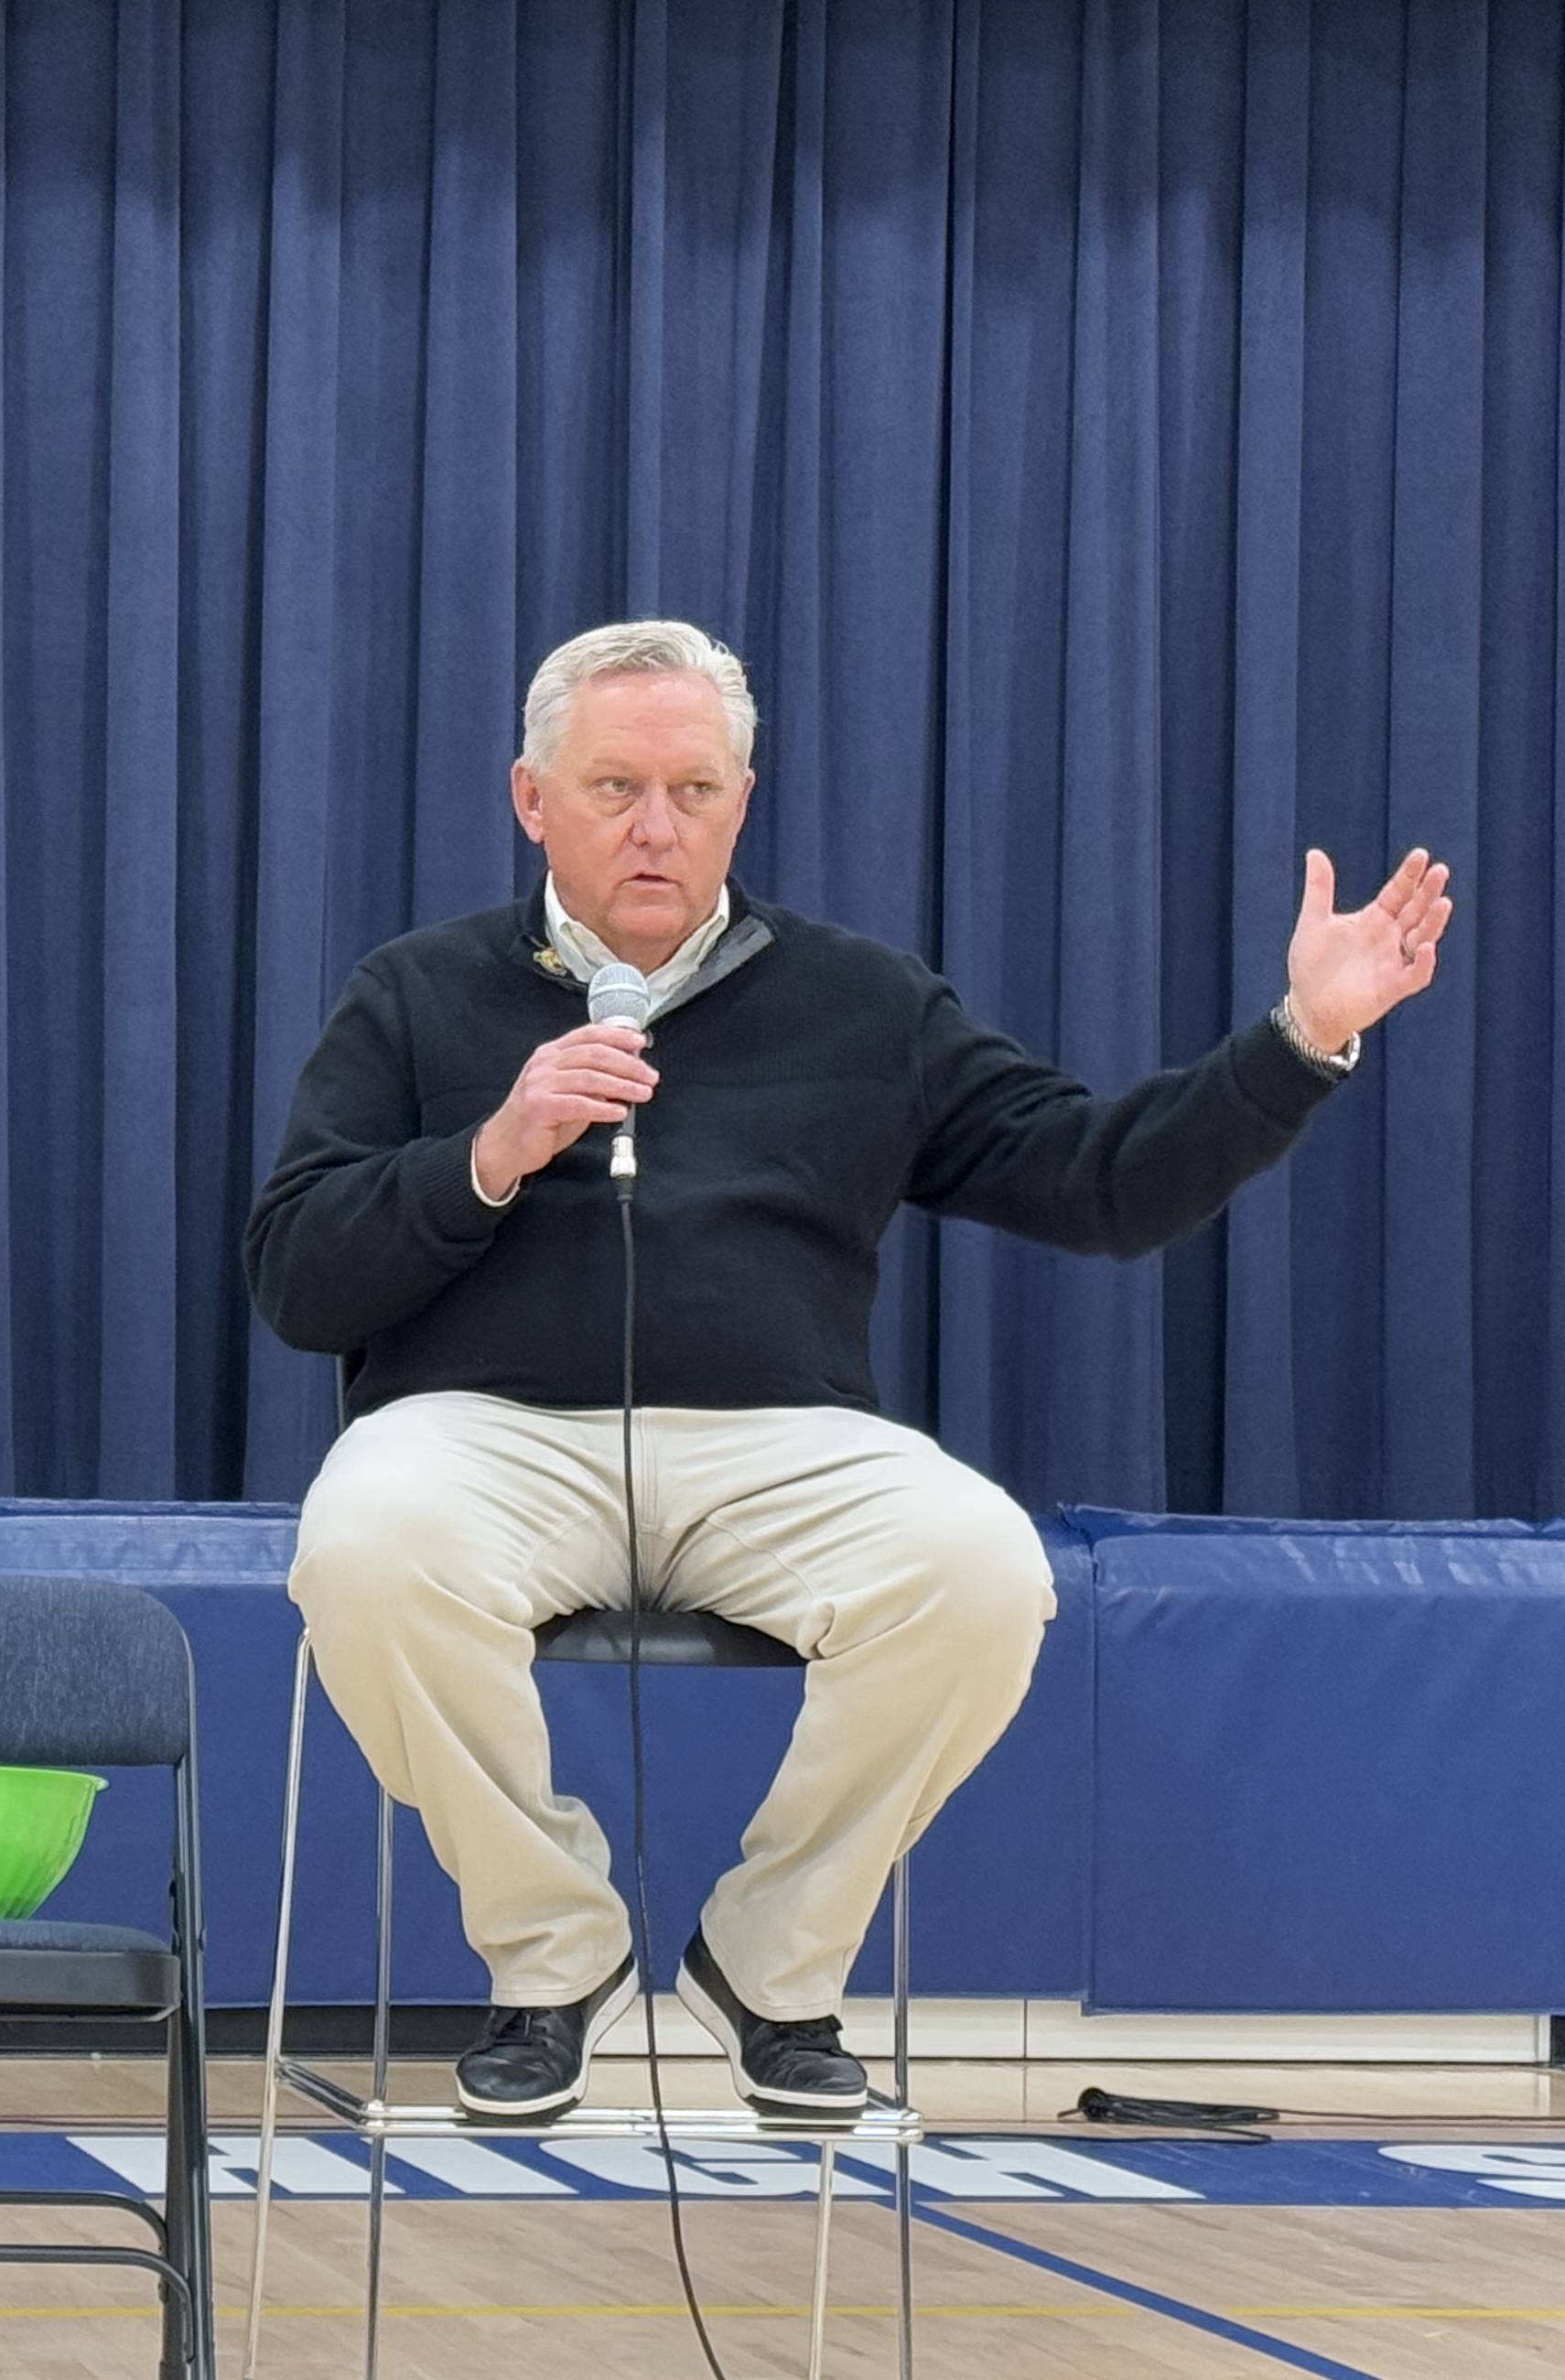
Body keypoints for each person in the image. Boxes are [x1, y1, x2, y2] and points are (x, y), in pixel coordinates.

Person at [245, 619, 1451, 2120]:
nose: (655, 825)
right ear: (530, 798)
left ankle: (770, 1963)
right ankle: (552, 1956)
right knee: (364, 1541)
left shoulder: (862, 1001)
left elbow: (1098, 1184)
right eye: (615, 786)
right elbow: (297, 1276)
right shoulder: (418, 994)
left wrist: (1302, 1037)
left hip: (776, 1440)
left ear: (743, 803)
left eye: (694, 790)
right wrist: (489, 1152)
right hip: (490, 1434)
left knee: (980, 1566)